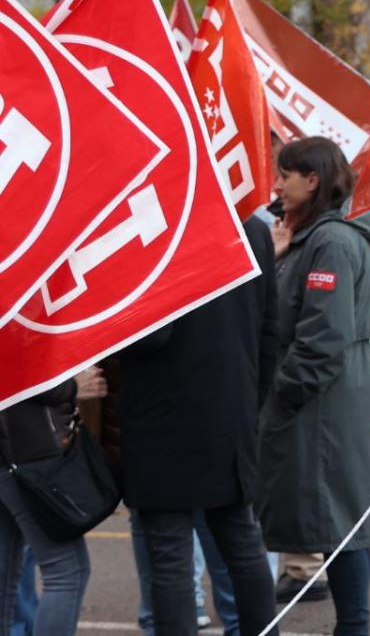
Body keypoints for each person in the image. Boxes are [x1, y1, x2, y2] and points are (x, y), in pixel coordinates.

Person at [117, 216, 279, 636]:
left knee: (171, 553)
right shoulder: (250, 224)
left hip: (162, 414)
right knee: (241, 541)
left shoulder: (150, 219)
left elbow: (150, 335)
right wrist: (250, 400)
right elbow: (269, 326)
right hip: (231, 407)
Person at [259, 137, 370, 635]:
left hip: (322, 410)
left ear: (312, 180)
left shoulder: (331, 241)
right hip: (324, 405)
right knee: (337, 521)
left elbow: (319, 342)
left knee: (340, 525)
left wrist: (278, 399)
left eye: (285, 175)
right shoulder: (315, 238)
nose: (276, 185)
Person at [0, 366, 107, 635]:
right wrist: (70, 386)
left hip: (15, 448)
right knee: (68, 570)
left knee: (6, 572)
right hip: (25, 449)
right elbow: (14, 367)